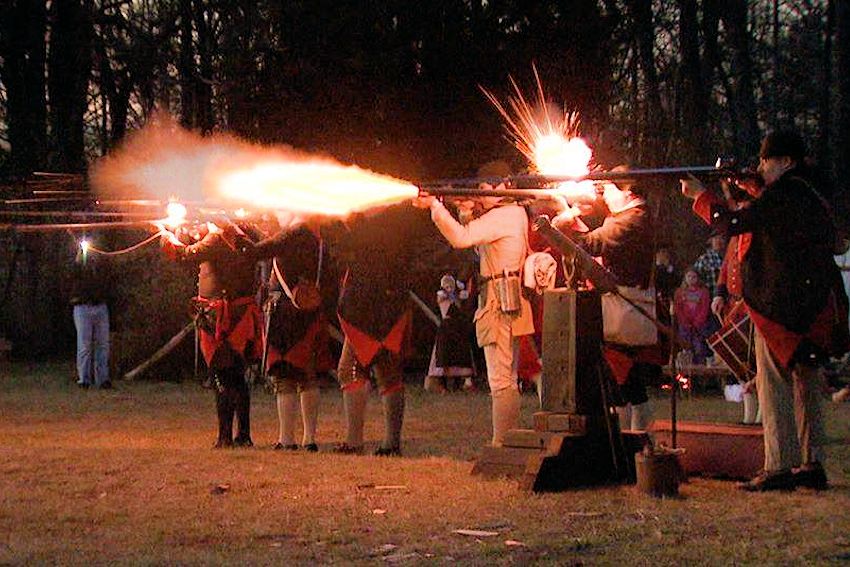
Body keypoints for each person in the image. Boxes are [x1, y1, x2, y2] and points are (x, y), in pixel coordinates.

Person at [682, 130, 850, 491]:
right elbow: (773, 214)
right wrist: (749, 187)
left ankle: (779, 464)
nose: (760, 166)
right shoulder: (808, 193)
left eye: (765, 160)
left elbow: (734, 224)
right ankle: (810, 463)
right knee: (807, 387)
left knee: (773, 387)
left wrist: (702, 198)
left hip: (782, 309)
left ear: (785, 162)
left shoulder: (785, 196)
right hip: (812, 305)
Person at [416, 160, 535, 447]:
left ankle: (502, 443)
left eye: (485, 188)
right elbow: (482, 242)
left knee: (501, 380)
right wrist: (464, 212)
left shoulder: (504, 215)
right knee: (506, 377)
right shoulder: (512, 213)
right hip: (503, 295)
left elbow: (461, 239)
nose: (482, 194)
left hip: (499, 297)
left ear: (503, 187)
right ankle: (506, 440)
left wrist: (437, 208)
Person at [550, 170, 661, 432]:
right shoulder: (631, 218)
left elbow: (586, 245)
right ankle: (636, 440)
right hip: (626, 304)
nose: (606, 196)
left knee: (618, 381)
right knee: (630, 382)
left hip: (622, 306)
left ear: (628, 193)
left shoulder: (630, 221)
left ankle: (627, 439)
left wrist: (563, 220)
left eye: (610, 190)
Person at [331, 203, 424, 456]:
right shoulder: (387, 229)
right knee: (388, 373)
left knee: (350, 371)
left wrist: (341, 220)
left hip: (369, 313)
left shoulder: (370, 231)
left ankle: (356, 442)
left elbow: (340, 248)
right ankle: (390, 444)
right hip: (387, 309)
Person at [162, 221, 263, 448]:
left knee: (222, 375)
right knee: (237, 377)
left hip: (221, 317)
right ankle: (243, 435)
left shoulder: (218, 237)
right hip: (240, 314)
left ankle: (225, 436)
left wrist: (164, 235)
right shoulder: (247, 235)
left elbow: (186, 255)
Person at [254, 219, 337, 452]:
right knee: (307, 375)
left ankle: (286, 439)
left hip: (285, 315)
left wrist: (241, 243)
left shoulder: (292, 234)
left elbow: (258, 251)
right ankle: (309, 439)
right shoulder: (317, 240)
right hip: (309, 314)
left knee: (285, 377)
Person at [70, 237, 113, 390]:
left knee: (103, 344)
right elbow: (73, 273)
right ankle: (84, 379)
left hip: (100, 305)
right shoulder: (78, 267)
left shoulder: (101, 268)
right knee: (85, 344)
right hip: (83, 306)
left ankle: (103, 379)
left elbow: (108, 280)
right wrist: (79, 257)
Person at [424, 274, 476, 393]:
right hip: (446, 329)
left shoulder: (458, 296)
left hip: (457, 328)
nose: (448, 287)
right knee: (443, 355)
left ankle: (459, 383)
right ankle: (443, 384)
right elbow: (441, 298)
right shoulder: (442, 295)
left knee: (459, 354)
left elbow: (464, 298)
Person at [673, 269, 711, 365]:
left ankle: (700, 368)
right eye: (689, 276)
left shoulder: (704, 292)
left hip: (699, 326)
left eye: (694, 277)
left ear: (698, 278)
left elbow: (705, 308)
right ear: (685, 278)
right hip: (684, 326)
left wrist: (697, 322)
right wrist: (684, 321)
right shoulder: (679, 292)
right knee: (685, 348)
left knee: (699, 348)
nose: (691, 279)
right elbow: (678, 308)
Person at [693, 234, 725, 301]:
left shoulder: (728, 259)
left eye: (721, 238)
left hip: (726, 302)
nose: (719, 241)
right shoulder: (704, 259)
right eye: (716, 238)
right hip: (709, 302)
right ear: (710, 241)